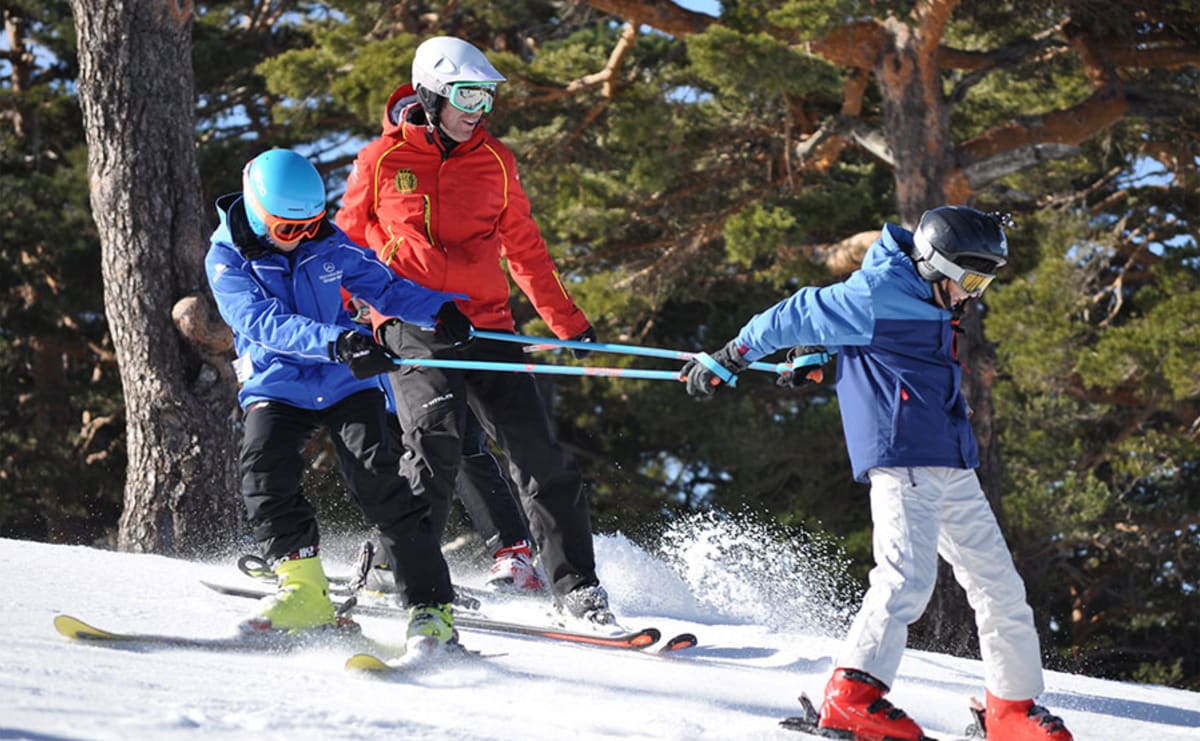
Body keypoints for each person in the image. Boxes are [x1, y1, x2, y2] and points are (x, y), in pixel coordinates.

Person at [680, 206, 1073, 741]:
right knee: (905, 578)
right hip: (904, 454)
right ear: (935, 265)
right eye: (970, 281)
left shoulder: (925, 298)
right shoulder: (876, 292)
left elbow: (858, 338)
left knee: (999, 587)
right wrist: (731, 356)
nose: (974, 294)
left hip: (950, 458)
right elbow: (795, 312)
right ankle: (852, 697)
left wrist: (817, 349)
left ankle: (1010, 709)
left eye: (984, 283)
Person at [336, 35, 610, 624]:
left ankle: (577, 588)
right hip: (410, 319)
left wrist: (568, 324)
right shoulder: (381, 160)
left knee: (539, 452)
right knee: (435, 440)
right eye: (465, 96)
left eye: (486, 97)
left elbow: (525, 249)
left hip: (486, 322)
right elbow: (344, 246)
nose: (477, 109)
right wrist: (341, 327)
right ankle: (404, 571)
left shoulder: (496, 162)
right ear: (431, 94)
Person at [204, 147, 476, 651]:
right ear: (257, 213)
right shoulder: (227, 260)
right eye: (288, 228)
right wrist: (337, 342)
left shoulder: (326, 243)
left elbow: (384, 287)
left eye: (311, 224)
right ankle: (303, 590)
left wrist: (439, 311)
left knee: (382, 485)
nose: (302, 236)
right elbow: (263, 323)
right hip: (279, 382)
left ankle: (430, 607)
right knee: (264, 474)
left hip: (345, 381)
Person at [346, 296, 544, 592]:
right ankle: (393, 553)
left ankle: (512, 553)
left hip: (433, 368)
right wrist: (355, 315)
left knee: (462, 453)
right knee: (387, 472)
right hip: (384, 401)